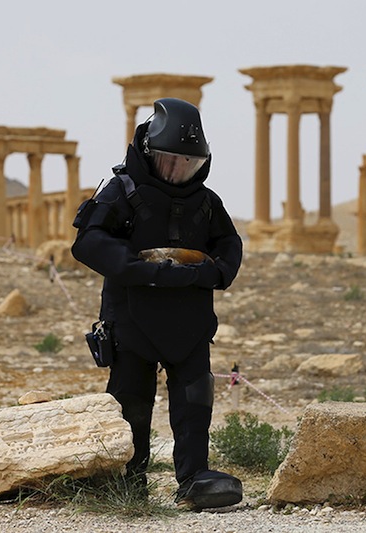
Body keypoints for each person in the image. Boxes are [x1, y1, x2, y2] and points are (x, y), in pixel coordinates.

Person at [71, 97, 243, 510]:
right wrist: (142, 269)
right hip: (132, 319)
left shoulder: (206, 201)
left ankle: (194, 479)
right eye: (171, 161)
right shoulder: (122, 190)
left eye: (189, 163)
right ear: (149, 153)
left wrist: (215, 272)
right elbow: (88, 242)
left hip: (189, 321)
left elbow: (229, 244)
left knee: (195, 398)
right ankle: (129, 483)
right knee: (131, 401)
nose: (179, 171)